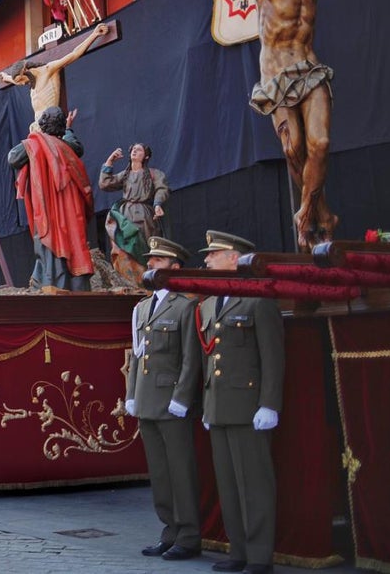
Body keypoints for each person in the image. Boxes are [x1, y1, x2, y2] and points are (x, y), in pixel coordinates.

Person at [150, 0, 390, 248]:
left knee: (322, 143)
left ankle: (304, 213)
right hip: (276, 78)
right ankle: (323, 213)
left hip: (310, 70)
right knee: (294, 148)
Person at [194, 231, 284, 574]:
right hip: (219, 406)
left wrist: (269, 403)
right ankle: (239, 550)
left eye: (214, 254)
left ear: (235, 258)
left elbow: (272, 357)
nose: (207, 260)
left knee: (254, 484)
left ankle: (260, 556)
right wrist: (207, 401)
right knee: (229, 484)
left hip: (249, 406)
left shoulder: (258, 300)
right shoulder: (209, 303)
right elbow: (209, 358)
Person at [124, 237, 202, 562]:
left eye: (159, 260)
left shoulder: (186, 306)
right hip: (146, 399)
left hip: (171, 400)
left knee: (180, 470)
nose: (151, 264)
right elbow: (136, 356)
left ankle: (188, 534)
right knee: (159, 472)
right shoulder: (141, 308)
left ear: (175, 268)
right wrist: (131, 395)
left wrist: (182, 398)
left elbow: (190, 358)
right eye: (151, 259)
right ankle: (169, 530)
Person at [9, 105, 94, 290]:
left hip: (49, 205)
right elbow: (78, 148)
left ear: (42, 124)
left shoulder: (36, 143)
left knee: (51, 242)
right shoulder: (68, 148)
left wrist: (33, 138)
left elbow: (13, 158)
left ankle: (52, 284)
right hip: (71, 207)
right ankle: (77, 287)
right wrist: (69, 129)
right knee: (74, 243)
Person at [0, 23, 108, 132]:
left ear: (26, 71)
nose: (22, 83)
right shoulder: (29, 80)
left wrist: (94, 34)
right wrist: (6, 77)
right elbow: (15, 81)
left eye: (21, 79)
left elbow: (74, 54)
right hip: (36, 127)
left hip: (50, 126)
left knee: (18, 150)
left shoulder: (48, 70)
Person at [99, 142, 170, 284]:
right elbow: (105, 183)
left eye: (139, 150)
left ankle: (145, 283)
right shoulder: (125, 175)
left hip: (144, 217)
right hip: (125, 218)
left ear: (146, 156)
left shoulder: (154, 174)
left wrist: (157, 204)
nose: (135, 151)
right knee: (122, 251)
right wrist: (110, 161)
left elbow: (162, 189)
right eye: (133, 149)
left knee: (143, 249)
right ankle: (127, 282)